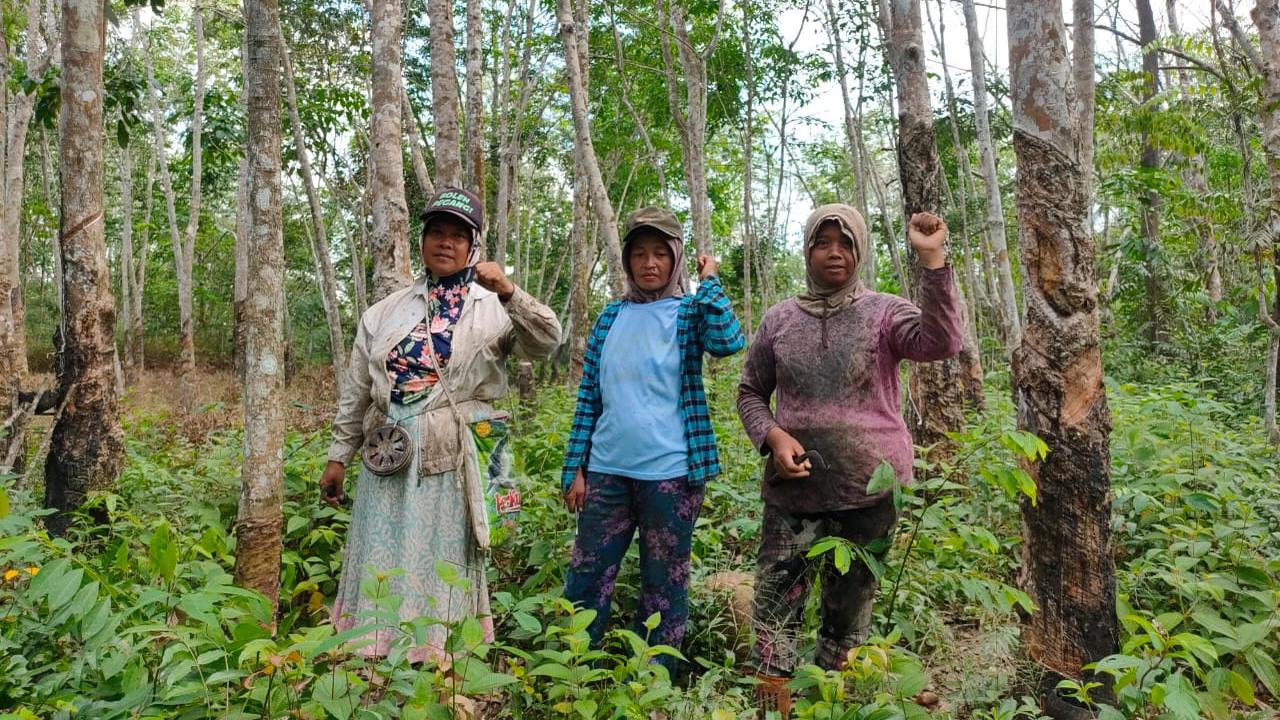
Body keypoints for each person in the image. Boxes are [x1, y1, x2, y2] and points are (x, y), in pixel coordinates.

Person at [319, 187, 561, 663]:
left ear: (473, 246)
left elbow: (548, 341)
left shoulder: (492, 306)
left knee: (442, 548)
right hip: (389, 447)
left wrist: (510, 291)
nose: (445, 243)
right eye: (436, 233)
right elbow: (356, 391)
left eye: (457, 235)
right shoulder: (385, 312)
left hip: (455, 450)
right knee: (383, 543)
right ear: (422, 241)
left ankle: (436, 645)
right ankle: (372, 639)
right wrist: (336, 457)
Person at [736, 205, 962, 715]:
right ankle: (774, 707)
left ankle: (832, 704)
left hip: (869, 495)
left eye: (845, 243)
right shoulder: (779, 320)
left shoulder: (885, 313)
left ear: (860, 250)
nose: (834, 252)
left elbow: (943, 341)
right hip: (793, 496)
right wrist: (772, 436)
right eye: (823, 242)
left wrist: (933, 261)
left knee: (847, 621)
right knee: (774, 615)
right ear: (807, 251)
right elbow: (750, 392)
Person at [560, 206, 746, 670]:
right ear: (625, 261)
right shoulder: (609, 319)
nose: (649, 263)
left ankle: (656, 677)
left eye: (661, 254)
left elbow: (728, 342)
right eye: (639, 254)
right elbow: (589, 398)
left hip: (671, 475)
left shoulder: (689, 311)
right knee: (587, 575)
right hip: (606, 473)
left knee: (664, 581)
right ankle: (575, 669)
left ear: (677, 259)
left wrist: (711, 283)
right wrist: (575, 468)